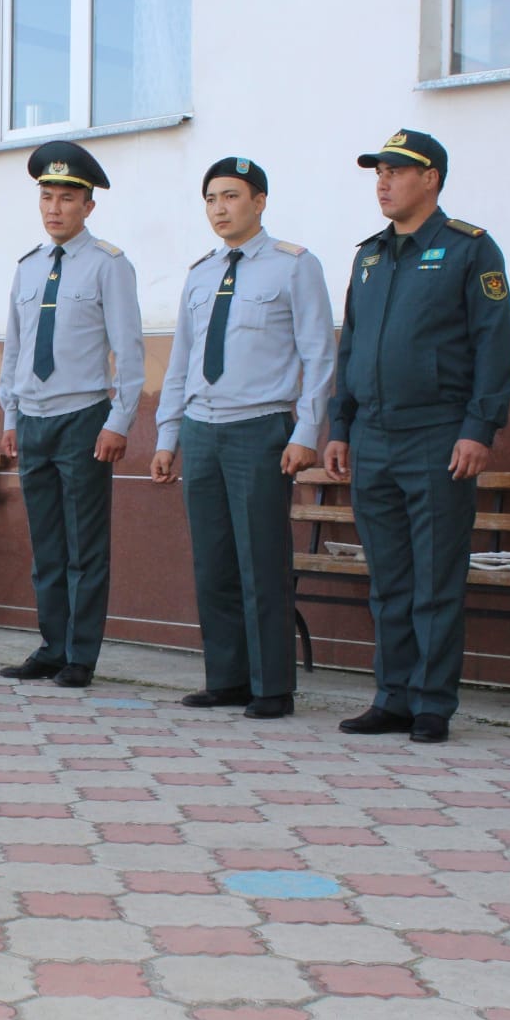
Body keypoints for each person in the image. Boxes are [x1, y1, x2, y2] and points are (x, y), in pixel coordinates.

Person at [324, 129, 510, 744]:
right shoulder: (370, 256)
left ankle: (432, 704)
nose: (382, 182)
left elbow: (494, 344)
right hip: (374, 436)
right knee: (389, 579)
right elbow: (350, 346)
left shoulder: (469, 250)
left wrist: (478, 428)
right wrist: (341, 425)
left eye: (396, 172)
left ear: (430, 178)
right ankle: (393, 696)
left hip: (438, 435)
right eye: (377, 172)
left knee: (435, 577)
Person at [151, 157, 336, 721]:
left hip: (260, 428)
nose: (219, 209)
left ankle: (272, 686)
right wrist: (168, 434)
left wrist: (306, 431)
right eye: (210, 199)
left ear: (259, 201)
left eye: (230, 196)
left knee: (262, 563)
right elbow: (180, 359)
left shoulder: (293, 266)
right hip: (203, 430)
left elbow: (319, 354)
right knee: (214, 563)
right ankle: (226, 678)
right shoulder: (201, 273)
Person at [0, 140, 146, 689]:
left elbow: (129, 351)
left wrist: (120, 420)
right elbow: (14, 348)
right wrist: (9, 415)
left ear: (88, 206)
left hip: (85, 418)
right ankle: (51, 645)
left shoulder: (109, 265)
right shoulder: (28, 268)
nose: (55, 208)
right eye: (47, 197)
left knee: (85, 545)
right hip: (33, 419)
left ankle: (81, 655)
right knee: (48, 544)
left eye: (67, 198)